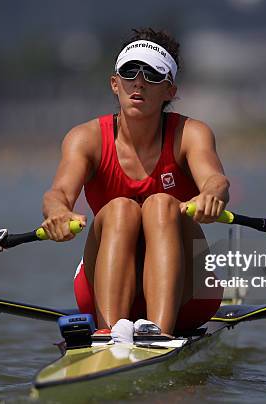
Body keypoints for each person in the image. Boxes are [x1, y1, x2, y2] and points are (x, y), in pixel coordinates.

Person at [41, 28, 229, 341]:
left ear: (169, 90)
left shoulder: (191, 134)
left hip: (188, 296)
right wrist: (57, 212)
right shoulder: (86, 139)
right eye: (130, 72)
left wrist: (211, 195)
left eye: (153, 74)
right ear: (115, 84)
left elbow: (215, 179)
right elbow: (57, 193)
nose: (139, 82)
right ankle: (111, 332)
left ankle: (159, 333)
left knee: (160, 204)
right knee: (120, 210)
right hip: (103, 293)